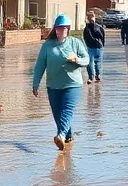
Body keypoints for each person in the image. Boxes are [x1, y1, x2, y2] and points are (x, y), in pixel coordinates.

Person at [32, 14, 90, 150]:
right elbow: (40, 65)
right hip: (53, 86)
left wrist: (78, 60)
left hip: (73, 85)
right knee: (58, 115)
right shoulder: (47, 45)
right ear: (55, 29)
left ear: (68, 29)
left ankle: (61, 135)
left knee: (67, 110)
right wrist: (35, 83)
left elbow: (86, 59)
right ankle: (68, 136)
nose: (62, 31)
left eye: (65, 28)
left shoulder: (75, 43)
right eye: (59, 28)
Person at [83, 11, 107, 83]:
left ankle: (96, 75)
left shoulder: (97, 27)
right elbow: (85, 37)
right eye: (90, 17)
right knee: (91, 62)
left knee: (96, 62)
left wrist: (102, 45)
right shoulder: (87, 28)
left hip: (97, 46)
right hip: (91, 46)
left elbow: (102, 37)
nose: (91, 19)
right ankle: (92, 76)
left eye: (92, 17)